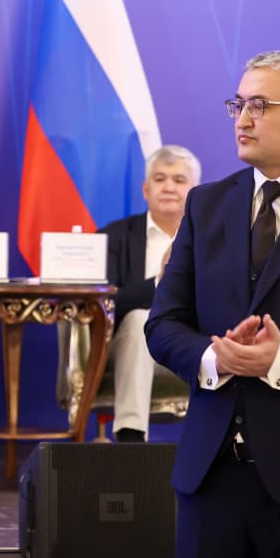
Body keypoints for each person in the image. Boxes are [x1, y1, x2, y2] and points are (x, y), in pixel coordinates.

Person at [146, 50, 280, 558]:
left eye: (261, 105)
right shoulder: (207, 204)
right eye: (239, 104)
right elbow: (163, 325)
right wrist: (212, 356)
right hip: (211, 483)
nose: (243, 120)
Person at [99, 145, 201, 442]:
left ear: (195, 192)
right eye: (160, 179)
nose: (169, 187)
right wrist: (159, 282)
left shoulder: (214, 237)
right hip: (130, 343)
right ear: (146, 190)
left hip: (194, 339)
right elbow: (102, 304)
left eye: (179, 180)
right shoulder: (114, 237)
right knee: (139, 319)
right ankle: (131, 436)